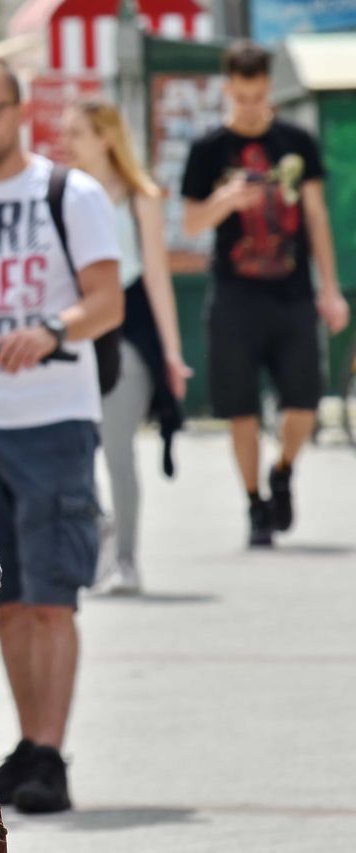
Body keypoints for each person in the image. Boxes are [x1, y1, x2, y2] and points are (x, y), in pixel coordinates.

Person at [0, 55, 124, 813]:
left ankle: (48, 749)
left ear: (19, 109)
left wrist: (48, 328)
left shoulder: (69, 193)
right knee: (5, 602)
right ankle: (27, 749)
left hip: (54, 419)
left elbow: (106, 303)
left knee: (51, 597)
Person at [181, 41, 349, 548]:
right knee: (242, 411)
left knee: (304, 404)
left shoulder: (296, 142)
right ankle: (254, 504)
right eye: (242, 96)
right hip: (235, 296)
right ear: (229, 89)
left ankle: (283, 471)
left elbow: (317, 217)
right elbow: (190, 223)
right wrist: (224, 200)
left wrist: (331, 289)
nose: (251, 106)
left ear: (269, 89)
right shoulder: (209, 148)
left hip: (293, 293)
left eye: (259, 96)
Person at [62, 98, 190, 594]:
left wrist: (173, 353)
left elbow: (157, 278)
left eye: (77, 133)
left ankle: (127, 562)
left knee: (116, 447)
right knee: (75, 445)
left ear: (105, 138)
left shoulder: (142, 197)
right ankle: (101, 529)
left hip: (131, 329)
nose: (66, 143)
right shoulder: (67, 195)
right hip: (78, 328)